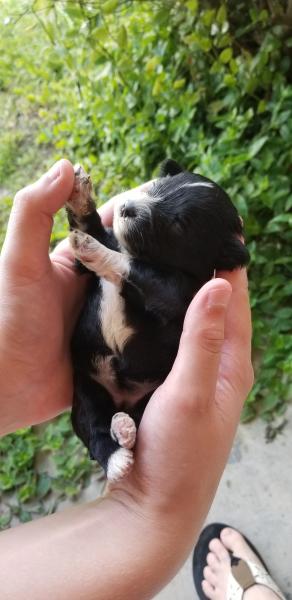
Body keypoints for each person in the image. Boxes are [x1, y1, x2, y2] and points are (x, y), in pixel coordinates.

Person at [0, 159, 253, 600]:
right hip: (91, 367)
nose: (138, 203)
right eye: (160, 184)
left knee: (106, 410)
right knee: (88, 397)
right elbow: (89, 246)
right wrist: (83, 210)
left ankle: (110, 449)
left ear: (208, 256)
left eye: (174, 225)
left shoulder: (180, 284)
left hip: (145, 383)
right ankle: (110, 444)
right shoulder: (123, 244)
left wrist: (112, 262)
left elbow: (161, 293)